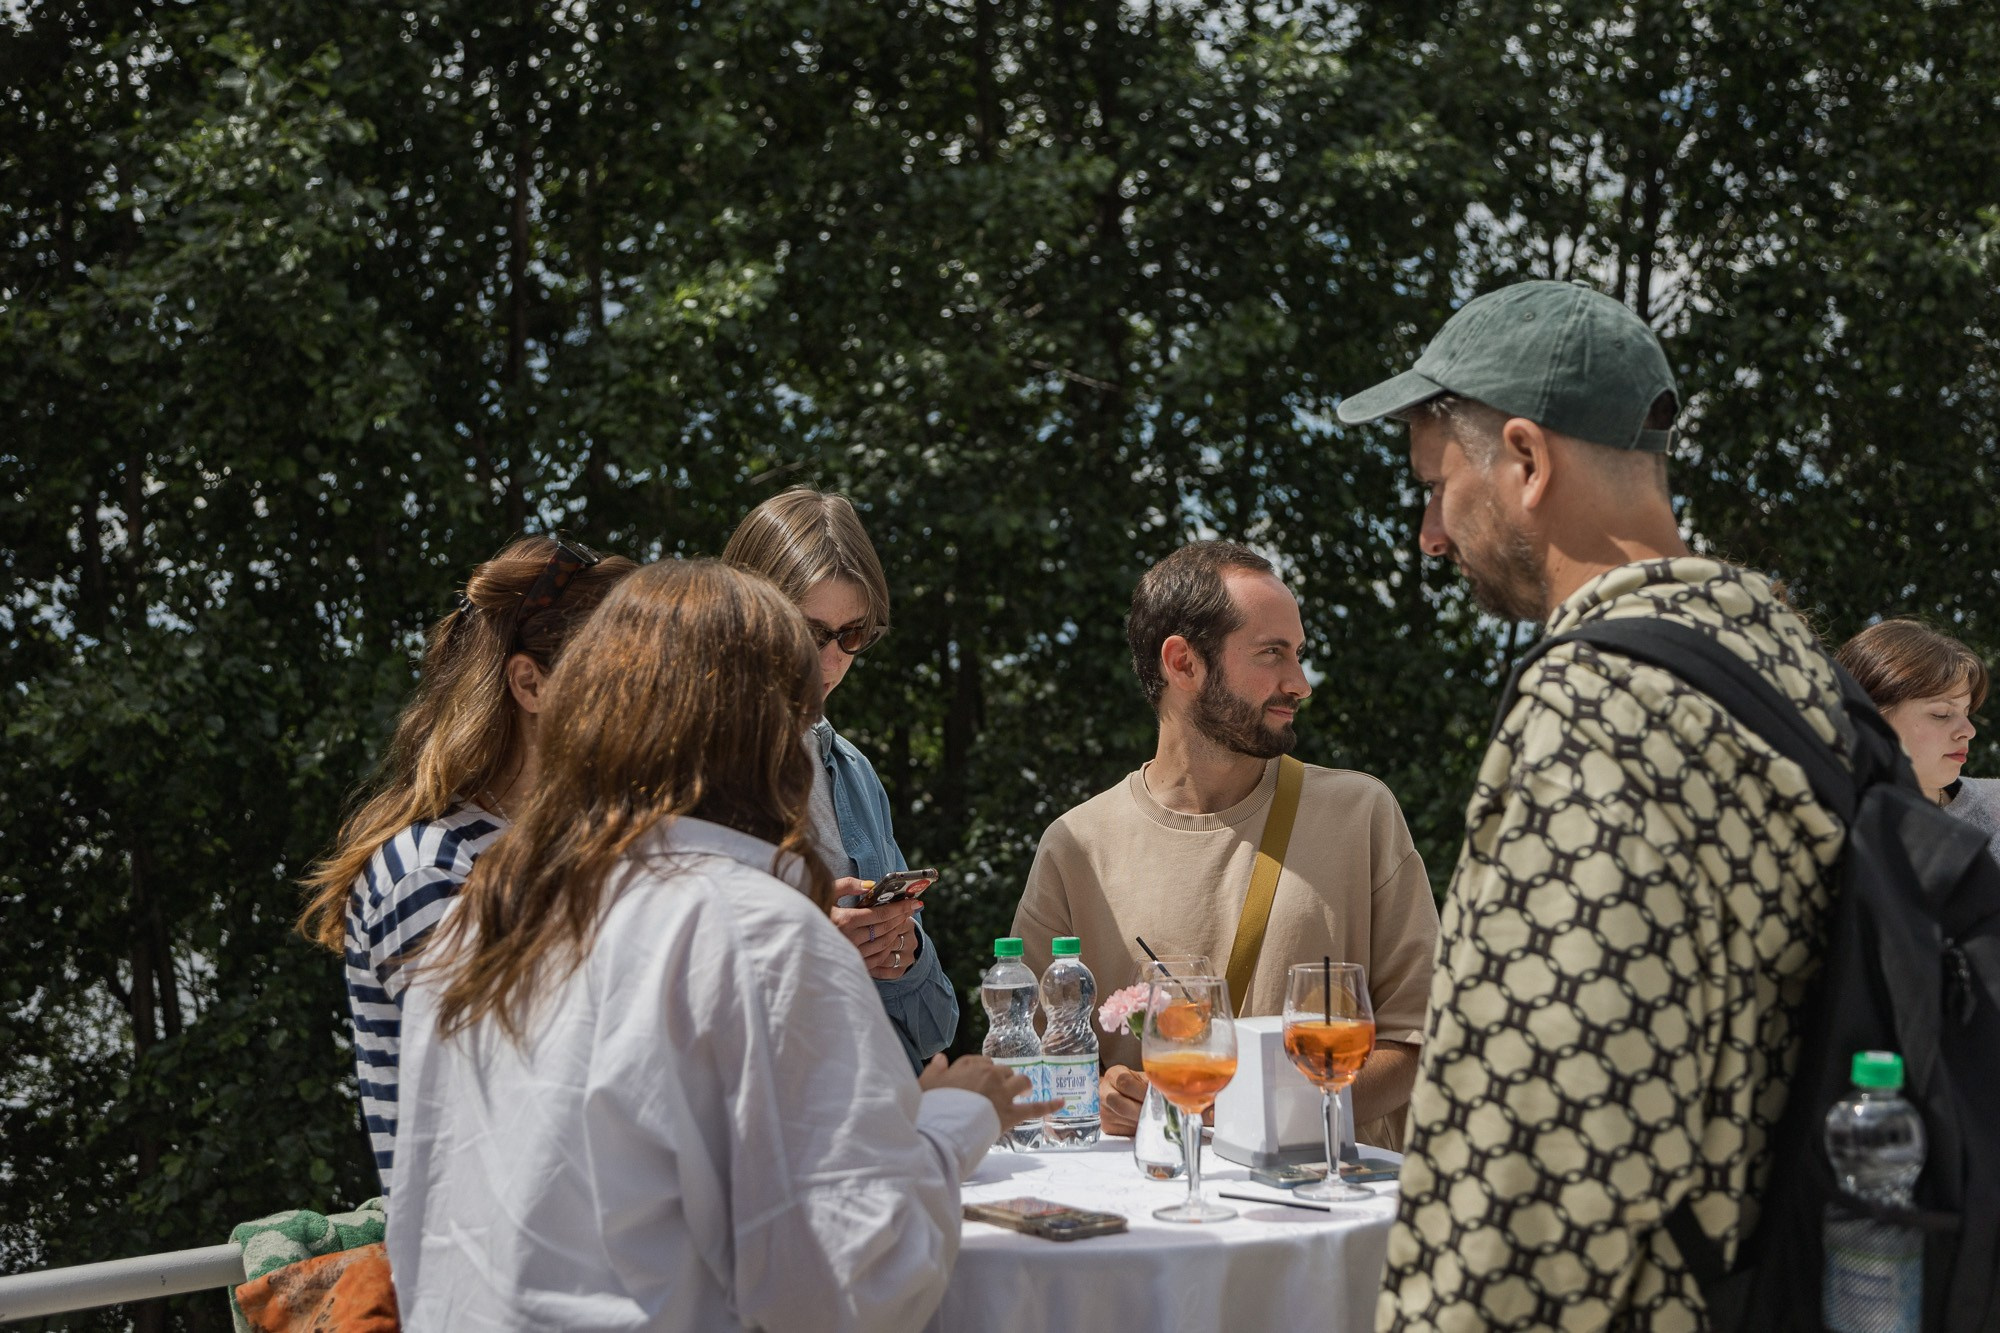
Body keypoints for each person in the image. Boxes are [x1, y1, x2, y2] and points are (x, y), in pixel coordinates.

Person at [1337, 279, 1851, 1331]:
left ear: (1524, 461)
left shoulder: (1600, 707)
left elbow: (1547, 1142)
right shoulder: (1778, 661)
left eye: (1434, 486)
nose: (1429, 536)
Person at [386, 559, 1053, 1333]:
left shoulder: (489, 911)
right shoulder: (756, 935)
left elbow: (426, 1215)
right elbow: (849, 1283)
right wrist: (953, 1120)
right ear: (767, 731)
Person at [1010, 540, 1439, 1149]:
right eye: (1272, 655)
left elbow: (1419, 1042)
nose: (1300, 683)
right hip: (1150, 1220)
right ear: (1183, 663)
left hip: (1321, 1220)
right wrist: (1100, 1090)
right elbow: (1025, 1059)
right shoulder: (1076, 845)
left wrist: (1245, 1110)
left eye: (1300, 655)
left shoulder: (1361, 815)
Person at [298, 535, 636, 1194]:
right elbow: (514, 1101)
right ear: (530, 682)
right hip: (491, 1280)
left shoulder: (582, 848)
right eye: (614, 674)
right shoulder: (428, 868)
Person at [722, 486, 958, 1072]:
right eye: (809, 633)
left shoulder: (849, 771)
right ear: (743, 616)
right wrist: (807, 943)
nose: (830, 663)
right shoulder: (672, 764)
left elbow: (936, 1024)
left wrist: (905, 952)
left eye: (852, 636)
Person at [1838, 617, 1999, 850]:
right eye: (1942, 714)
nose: (1969, 731)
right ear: (1871, 718)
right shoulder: (1825, 826)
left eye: (1966, 712)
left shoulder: (1995, 809)